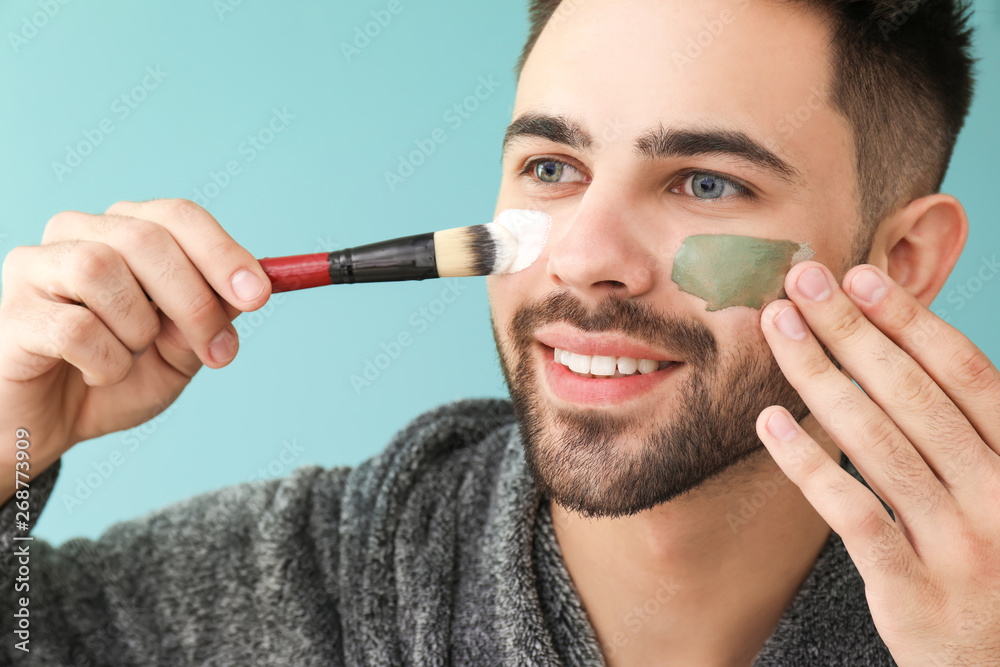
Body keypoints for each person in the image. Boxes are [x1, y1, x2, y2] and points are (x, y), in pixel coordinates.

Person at [3, 0, 998, 664]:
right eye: (553, 167)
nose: (580, 256)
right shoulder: (288, 585)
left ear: (901, 261)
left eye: (706, 182)